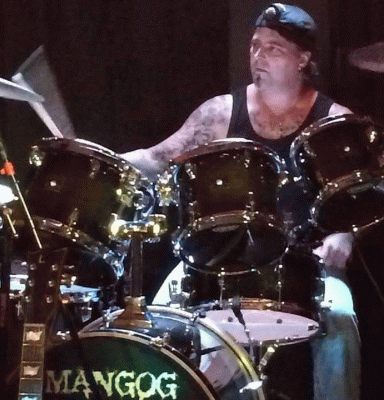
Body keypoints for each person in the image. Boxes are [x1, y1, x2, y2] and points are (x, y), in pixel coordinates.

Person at [122, 3, 360, 399]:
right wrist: (107, 158)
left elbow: (357, 194)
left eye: (273, 48)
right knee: (161, 316)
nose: (258, 56)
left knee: (340, 317)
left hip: (304, 261)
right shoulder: (220, 112)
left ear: (303, 59)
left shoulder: (332, 119)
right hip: (218, 256)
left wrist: (344, 235)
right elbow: (157, 158)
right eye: (255, 45)